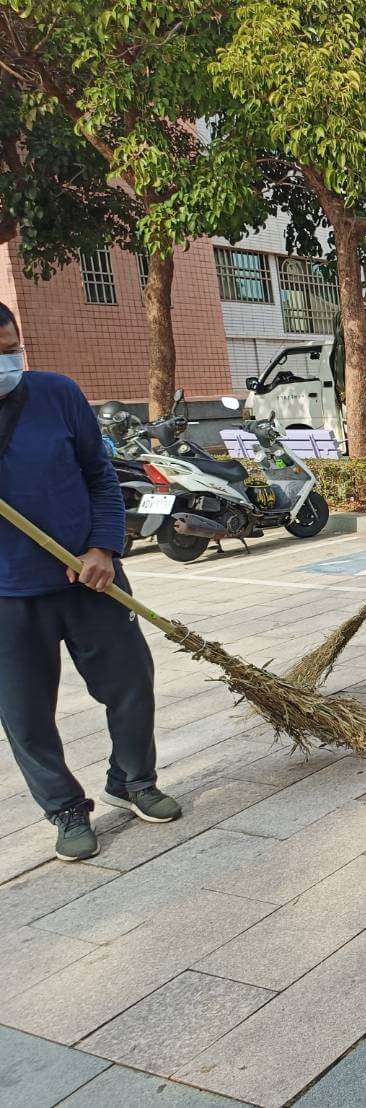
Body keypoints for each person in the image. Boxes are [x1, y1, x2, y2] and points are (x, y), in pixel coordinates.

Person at [0, 300, 181, 862]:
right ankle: (64, 808)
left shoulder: (57, 395)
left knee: (131, 681)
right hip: (8, 594)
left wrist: (103, 546)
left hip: (89, 576)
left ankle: (131, 780)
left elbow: (100, 475)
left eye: (12, 349)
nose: (11, 361)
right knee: (25, 713)